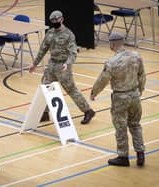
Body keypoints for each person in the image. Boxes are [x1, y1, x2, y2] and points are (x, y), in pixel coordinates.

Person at [29, 10, 95, 124]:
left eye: (57, 20)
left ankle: (88, 111)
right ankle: (44, 113)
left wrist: (67, 63)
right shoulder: (50, 33)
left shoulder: (68, 35)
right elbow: (43, 49)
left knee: (71, 90)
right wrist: (35, 63)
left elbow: (73, 52)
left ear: (62, 19)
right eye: (53, 21)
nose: (55, 22)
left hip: (63, 66)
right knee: (45, 88)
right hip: (51, 65)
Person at [90, 32, 146, 167]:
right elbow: (142, 76)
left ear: (112, 44)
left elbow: (103, 80)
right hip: (135, 96)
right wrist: (140, 91)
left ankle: (123, 157)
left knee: (121, 127)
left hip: (120, 97)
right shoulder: (136, 56)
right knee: (135, 124)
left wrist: (94, 93)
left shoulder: (112, 62)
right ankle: (140, 153)